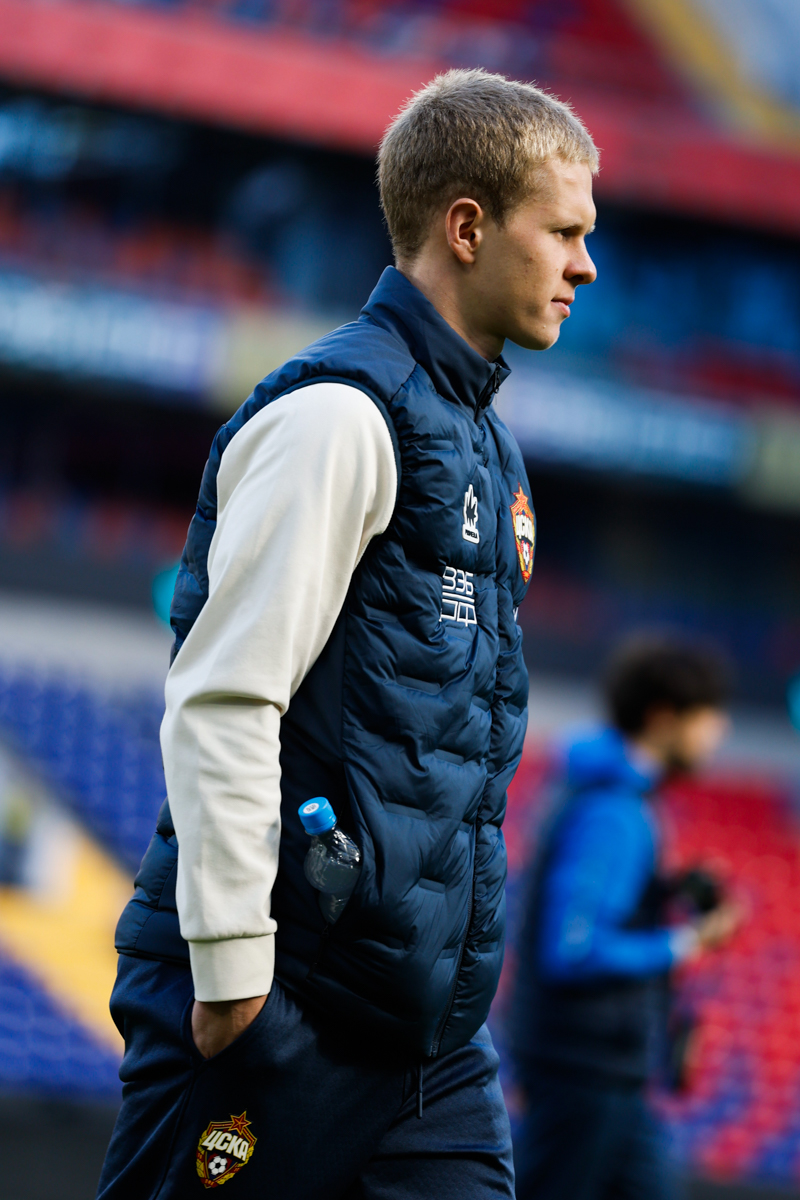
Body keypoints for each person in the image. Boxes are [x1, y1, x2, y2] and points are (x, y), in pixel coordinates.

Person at [97, 68, 599, 1199]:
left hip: (430, 1044)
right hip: (281, 1012)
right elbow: (225, 698)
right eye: (564, 232)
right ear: (466, 227)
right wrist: (236, 984)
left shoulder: (488, 448)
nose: (584, 266)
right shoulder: (337, 416)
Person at [510, 636, 741, 1200]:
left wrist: (666, 892)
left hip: (608, 1073)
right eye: (708, 713)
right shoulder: (614, 810)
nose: (720, 730)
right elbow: (574, 950)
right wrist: (685, 942)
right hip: (583, 1073)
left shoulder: (616, 795)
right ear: (664, 717)